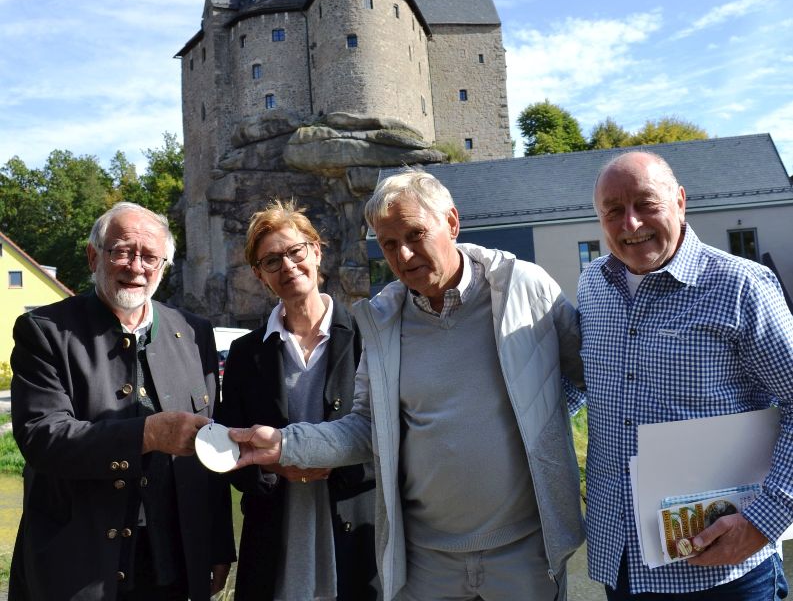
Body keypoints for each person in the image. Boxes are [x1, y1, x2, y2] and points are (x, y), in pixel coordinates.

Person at [229, 168, 585, 601]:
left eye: (415, 234)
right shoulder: (382, 320)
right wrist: (286, 444)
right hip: (425, 562)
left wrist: (547, 416)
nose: (404, 254)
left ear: (451, 222)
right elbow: (366, 426)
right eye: (389, 244)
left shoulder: (523, 287)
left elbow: (591, 376)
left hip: (526, 552)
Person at [579, 150, 793, 600]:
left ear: (679, 201)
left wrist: (765, 519)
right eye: (613, 211)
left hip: (727, 571)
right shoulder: (592, 284)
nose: (630, 223)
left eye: (646, 204)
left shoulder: (741, 286)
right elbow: (578, 381)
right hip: (624, 563)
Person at [9, 202, 235, 601]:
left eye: (150, 257)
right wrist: (147, 434)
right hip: (80, 567)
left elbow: (209, 451)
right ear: (93, 256)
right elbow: (43, 438)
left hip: (172, 563)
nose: (136, 267)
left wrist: (217, 545)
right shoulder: (45, 331)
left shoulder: (194, 332)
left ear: (164, 266)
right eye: (123, 251)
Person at [217, 199, 379, 600]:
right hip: (276, 540)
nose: (287, 266)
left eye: (295, 251)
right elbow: (228, 450)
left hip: (357, 536)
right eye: (272, 261)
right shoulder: (245, 354)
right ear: (259, 275)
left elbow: (392, 435)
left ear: (316, 251)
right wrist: (274, 468)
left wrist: (330, 460)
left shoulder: (369, 337)